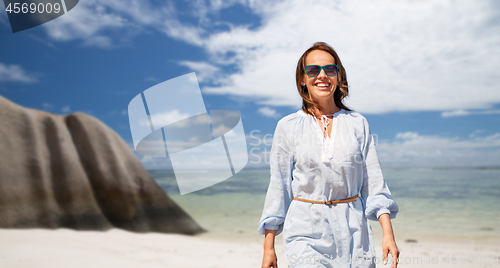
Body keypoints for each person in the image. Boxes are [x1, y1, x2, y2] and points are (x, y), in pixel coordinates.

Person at [258, 42, 399, 268]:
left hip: (355, 232)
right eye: (313, 70)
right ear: (303, 79)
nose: (322, 75)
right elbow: (279, 186)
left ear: (338, 76)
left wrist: (388, 234)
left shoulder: (358, 123)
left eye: (330, 70)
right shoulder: (288, 126)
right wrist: (268, 247)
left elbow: (372, 181)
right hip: (305, 230)